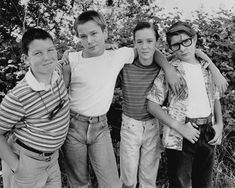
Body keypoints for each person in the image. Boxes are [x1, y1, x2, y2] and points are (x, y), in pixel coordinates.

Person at [60, 10, 187, 188]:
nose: (89, 40)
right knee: (80, 181)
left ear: (105, 33)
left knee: (114, 183)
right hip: (74, 125)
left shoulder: (118, 56)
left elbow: (149, 50)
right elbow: (58, 91)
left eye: (94, 33)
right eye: (83, 36)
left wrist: (168, 68)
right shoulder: (72, 60)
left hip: (101, 128)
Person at [147, 21, 224, 188]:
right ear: (170, 48)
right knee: (180, 183)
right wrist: (180, 127)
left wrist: (220, 124)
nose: (182, 48)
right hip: (180, 133)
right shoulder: (170, 70)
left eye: (185, 42)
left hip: (207, 132)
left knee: (204, 183)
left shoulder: (207, 67)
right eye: (175, 45)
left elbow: (215, 97)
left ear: (194, 39)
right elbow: (152, 105)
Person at [0, 28, 70, 188]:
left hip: (52, 160)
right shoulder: (18, 96)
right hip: (27, 163)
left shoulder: (56, 73)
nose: (47, 57)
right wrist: (16, 167)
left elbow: (65, 60)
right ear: (26, 59)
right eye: (38, 53)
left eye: (50, 50)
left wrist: (105, 47)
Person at [117, 22, 163, 188]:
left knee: (148, 180)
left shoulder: (162, 67)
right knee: (128, 180)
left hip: (152, 125)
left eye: (150, 41)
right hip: (130, 125)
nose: (144, 47)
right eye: (140, 42)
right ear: (134, 43)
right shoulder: (125, 65)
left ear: (157, 43)